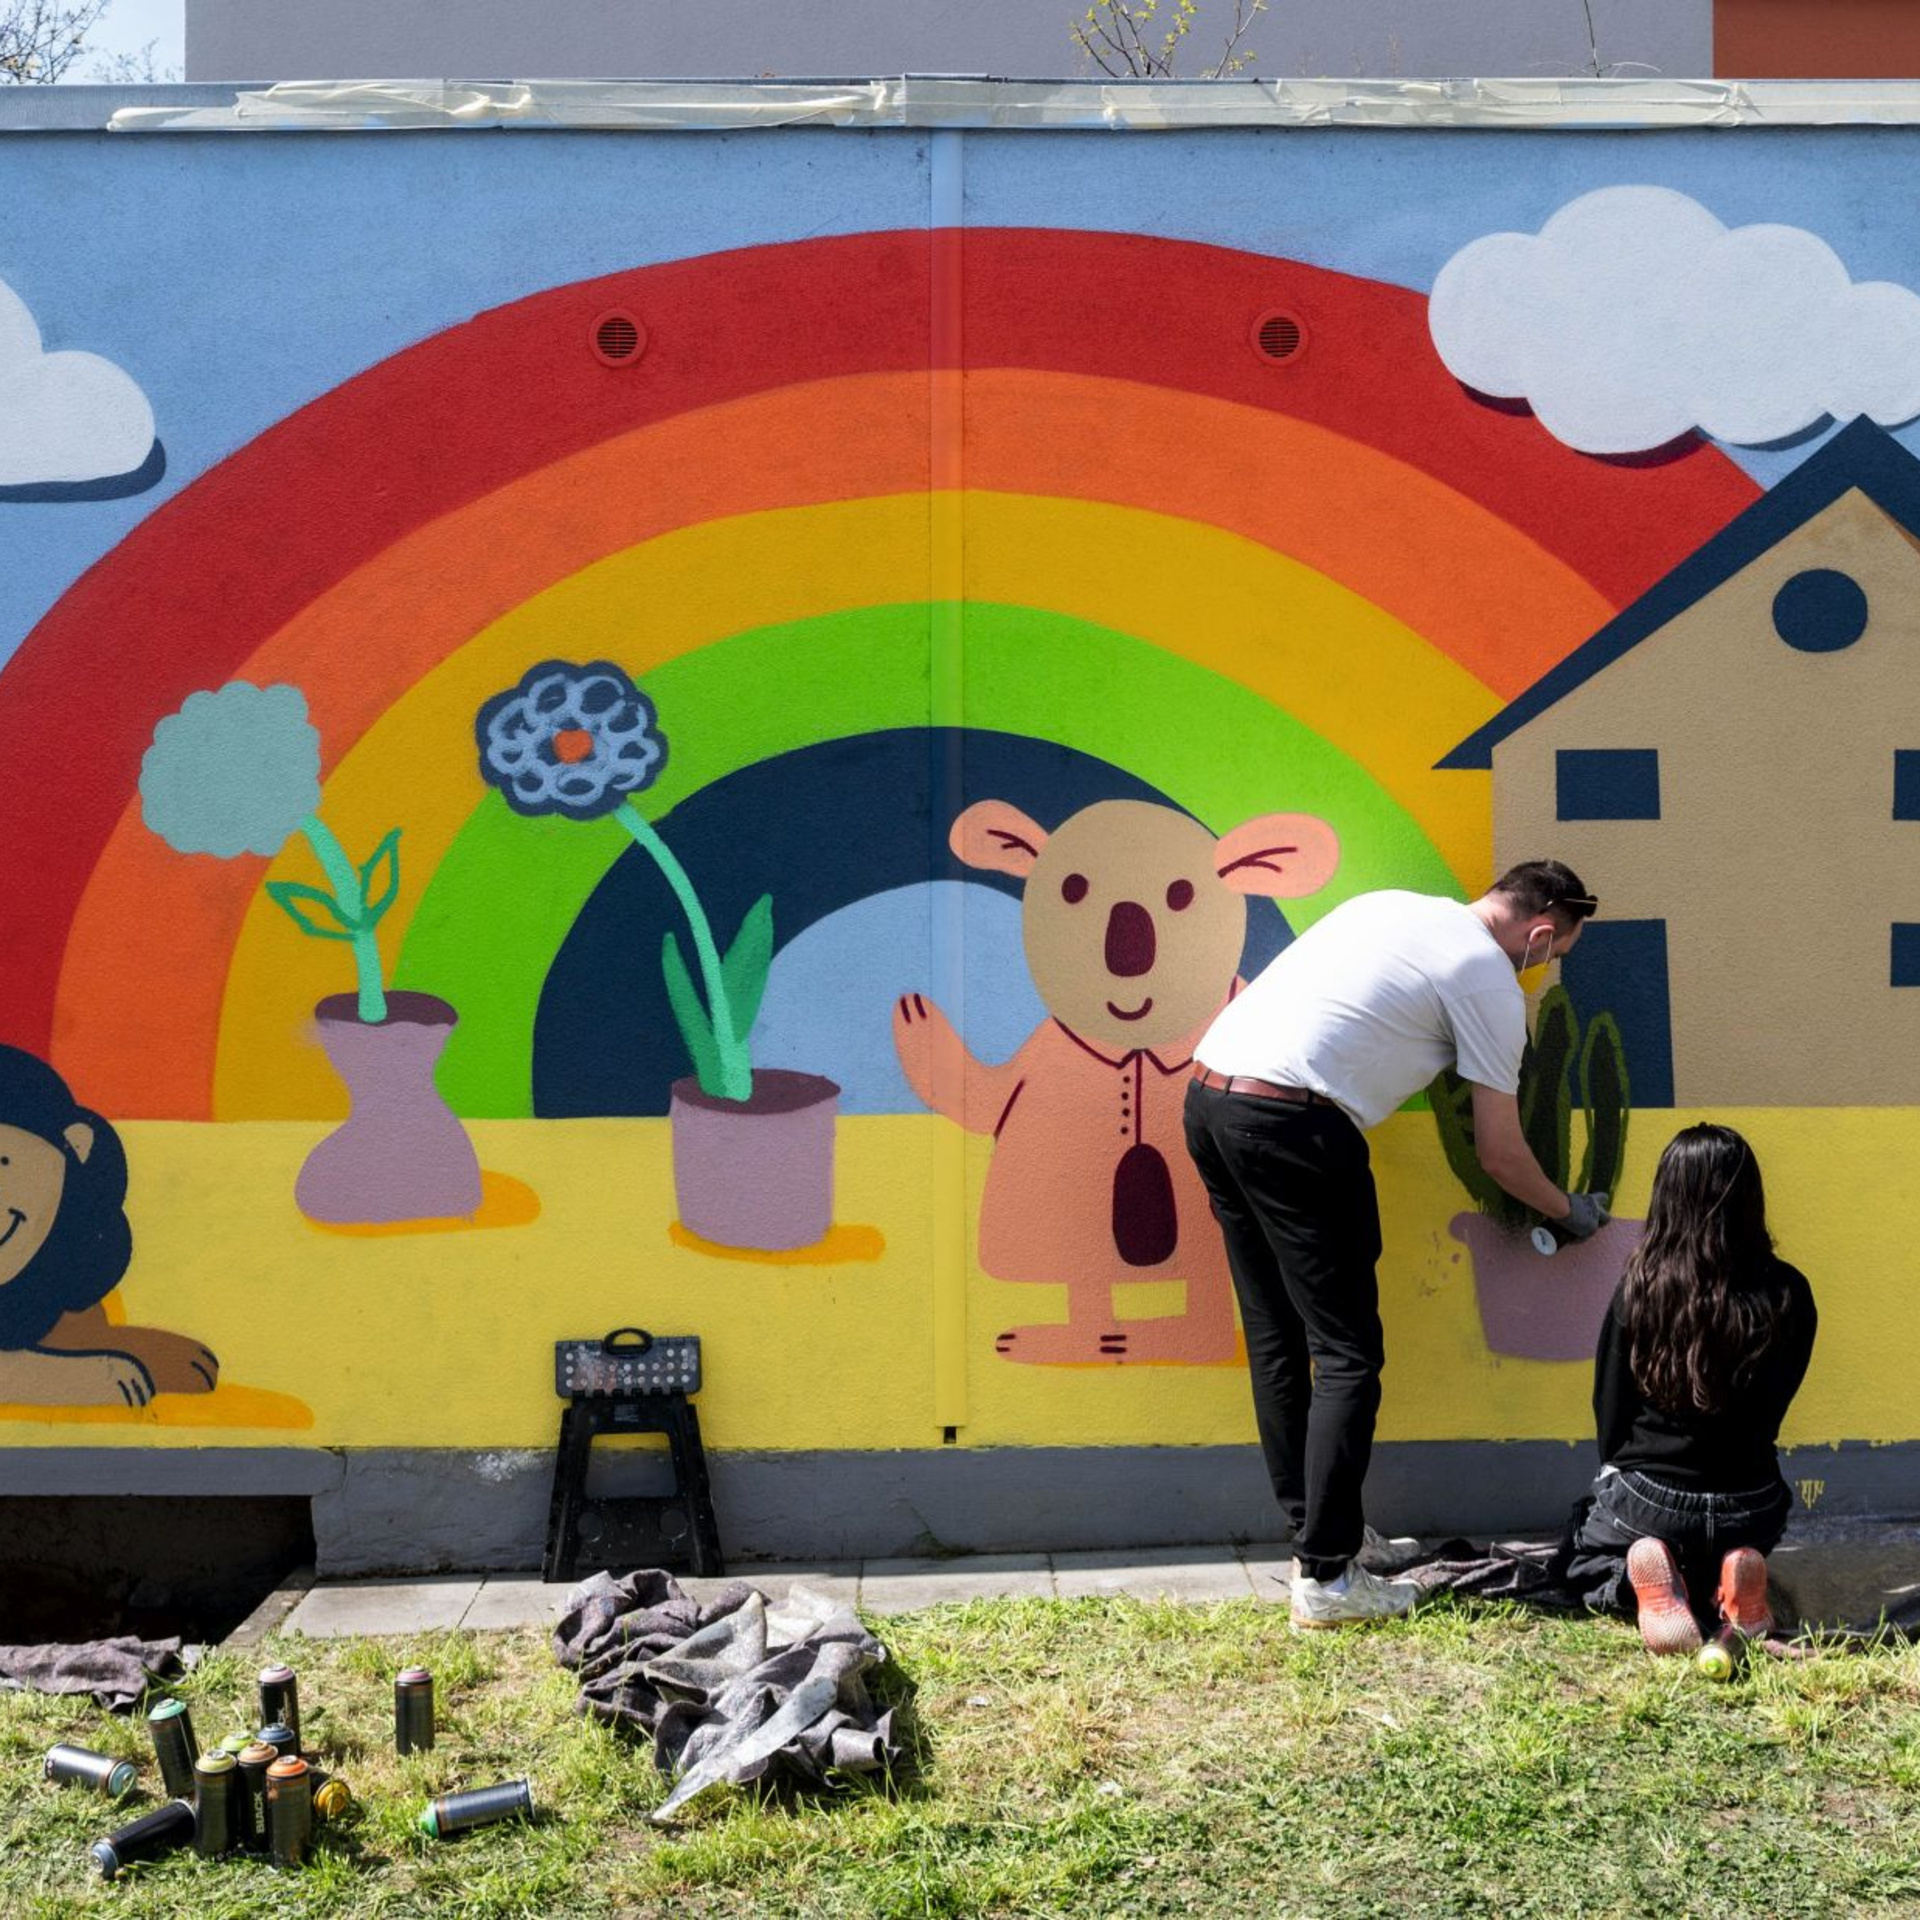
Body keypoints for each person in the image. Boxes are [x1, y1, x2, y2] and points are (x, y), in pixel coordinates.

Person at [1183, 861, 1610, 1629]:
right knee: (1349, 1353)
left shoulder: (1392, 904)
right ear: (1540, 931)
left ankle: (1321, 1537)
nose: (1546, 969)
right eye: (1556, 954)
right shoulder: (1486, 975)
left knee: (1278, 1337)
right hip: (1293, 1125)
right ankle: (1326, 1579)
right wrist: (1570, 1210)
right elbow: (1501, 1154)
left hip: (1213, 1098)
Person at [1561, 1123, 1817, 1655]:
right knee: (1737, 1527)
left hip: (1649, 1498)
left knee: (1580, 1554)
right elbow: (1776, 1405)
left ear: (1666, 1197)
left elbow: (1609, 1408)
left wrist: (1621, 1473)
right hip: (1749, 1498)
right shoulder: (1790, 1290)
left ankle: (1644, 1586)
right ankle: (1732, 1574)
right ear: (1751, 1197)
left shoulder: (1639, 1287)